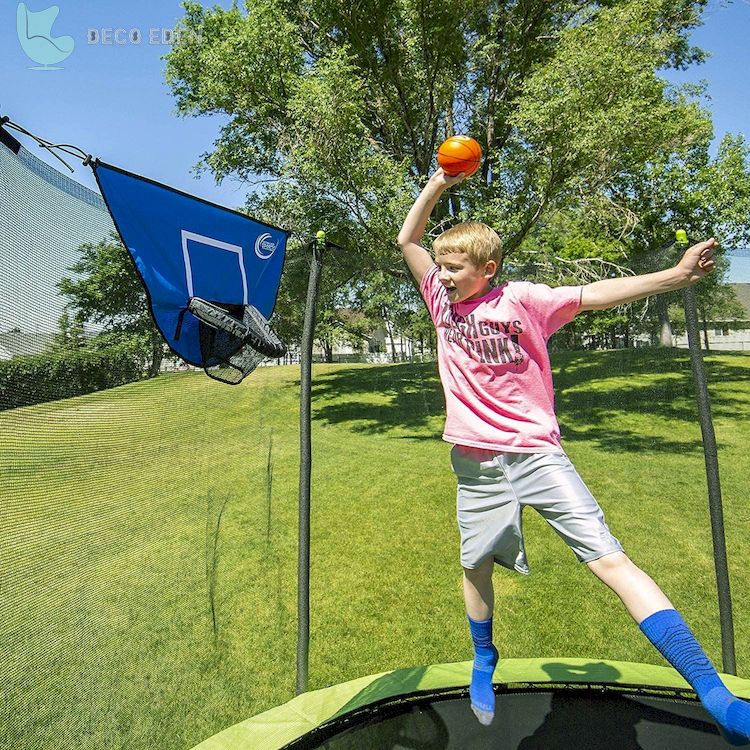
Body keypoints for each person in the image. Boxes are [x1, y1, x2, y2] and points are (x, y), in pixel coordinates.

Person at [397, 167, 750, 745]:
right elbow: (408, 240)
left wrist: (677, 275)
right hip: (475, 462)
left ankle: (715, 695)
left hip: (536, 455)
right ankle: (484, 658)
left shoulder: (526, 300)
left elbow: (598, 294)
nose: (442, 274)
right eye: (440, 266)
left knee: (610, 560)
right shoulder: (439, 299)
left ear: (488, 269)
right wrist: (438, 182)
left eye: (455, 266)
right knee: (475, 564)